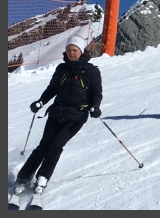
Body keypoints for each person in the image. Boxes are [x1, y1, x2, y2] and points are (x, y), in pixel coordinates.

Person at [14, 35, 103, 199]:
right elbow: (52, 89)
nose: (71, 53)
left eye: (74, 50)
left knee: (55, 146)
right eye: (69, 50)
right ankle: (23, 177)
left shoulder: (91, 71)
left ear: (81, 51)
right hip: (57, 112)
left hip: (76, 116)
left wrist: (95, 107)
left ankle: (42, 178)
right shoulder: (61, 69)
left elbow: (96, 93)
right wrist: (41, 102)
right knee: (43, 146)